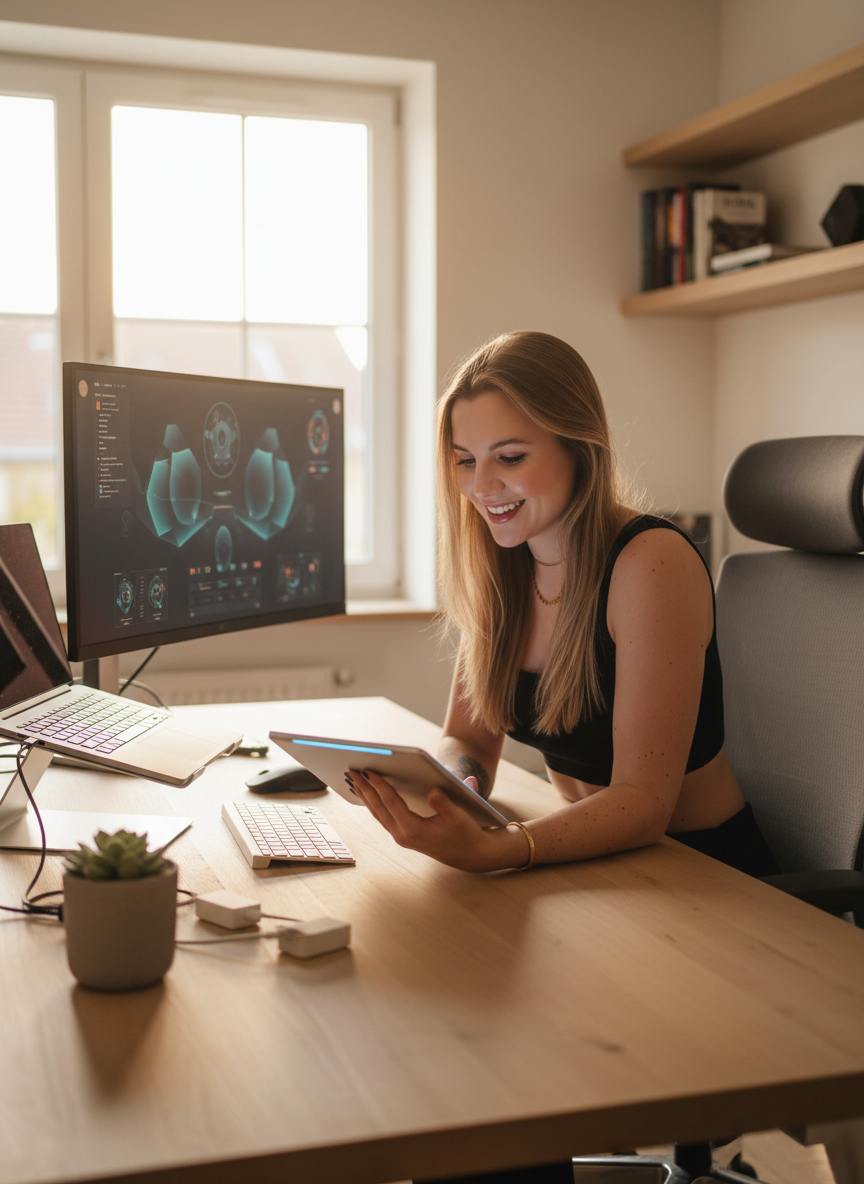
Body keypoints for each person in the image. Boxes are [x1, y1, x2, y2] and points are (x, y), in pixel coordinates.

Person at [349, 330, 778, 880]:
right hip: (595, 862)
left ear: (578, 447)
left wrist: (504, 847)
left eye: (509, 456)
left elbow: (644, 802)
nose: (481, 486)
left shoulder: (651, 562)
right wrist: (458, 786)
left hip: (702, 874)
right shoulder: (504, 566)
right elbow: (472, 737)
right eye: (464, 460)